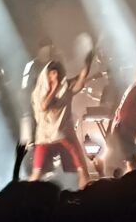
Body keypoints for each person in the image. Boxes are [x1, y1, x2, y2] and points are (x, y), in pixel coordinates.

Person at [29, 47, 95, 189]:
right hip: (45, 135)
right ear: (47, 75)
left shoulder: (66, 88)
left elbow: (82, 77)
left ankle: (87, 193)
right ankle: (23, 197)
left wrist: (88, 61)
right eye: (52, 74)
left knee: (82, 170)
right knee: (36, 173)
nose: (55, 77)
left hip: (63, 133)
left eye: (57, 73)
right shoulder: (41, 90)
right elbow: (44, 106)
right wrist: (53, 89)